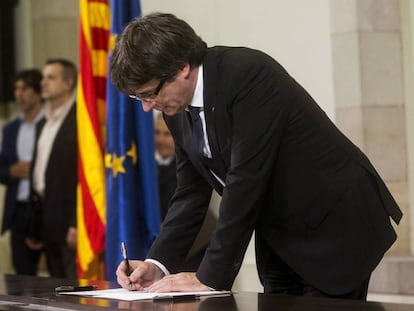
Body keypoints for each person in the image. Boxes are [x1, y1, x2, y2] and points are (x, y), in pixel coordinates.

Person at [111, 13, 402, 300]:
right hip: (281, 235)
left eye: (150, 94)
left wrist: (208, 277)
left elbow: (245, 178)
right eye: (140, 99)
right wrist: (158, 263)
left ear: (182, 67)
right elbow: (189, 193)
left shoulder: (247, 74)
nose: (148, 108)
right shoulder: (175, 107)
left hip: (335, 226)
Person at [28, 59, 78, 278]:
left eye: (51, 77)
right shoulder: (42, 123)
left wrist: (76, 223)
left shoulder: (79, 121)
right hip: (46, 217)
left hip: (70, 221)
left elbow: (83, 176)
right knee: (54, 288)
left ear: (68, 83)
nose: (43, 82)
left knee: (74, 287)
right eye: (43, 77)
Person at [0, 69, 44, 275]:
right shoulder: (10, 129)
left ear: (38, 91)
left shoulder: (49, 124)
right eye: (16, 88)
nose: (19, 94)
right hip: (18, 209)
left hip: (45, 207)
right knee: (21, 276)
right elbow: (2, 170)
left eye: (24, 88)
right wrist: (11, 171)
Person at [154, 112, 177, 221]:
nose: (160, 140)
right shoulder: (142, 166)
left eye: (167, 134)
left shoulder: (188, 171)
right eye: (157, 132)